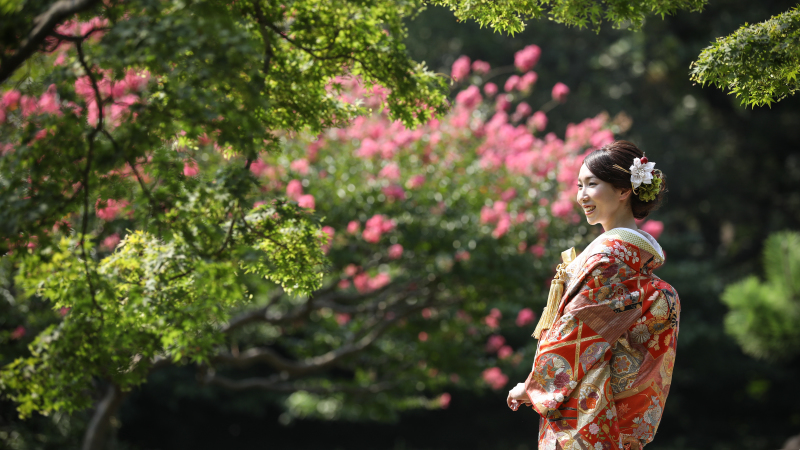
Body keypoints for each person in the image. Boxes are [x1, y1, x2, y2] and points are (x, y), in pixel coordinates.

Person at [506, 140, 680, 450]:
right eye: (579, 186)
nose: (581, 196)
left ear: (623, 191)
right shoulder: (630, 259)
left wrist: (535, 385)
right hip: (609, 407)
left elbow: (576, 327)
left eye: (592, 184)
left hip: (589, 404)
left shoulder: (610, 257)